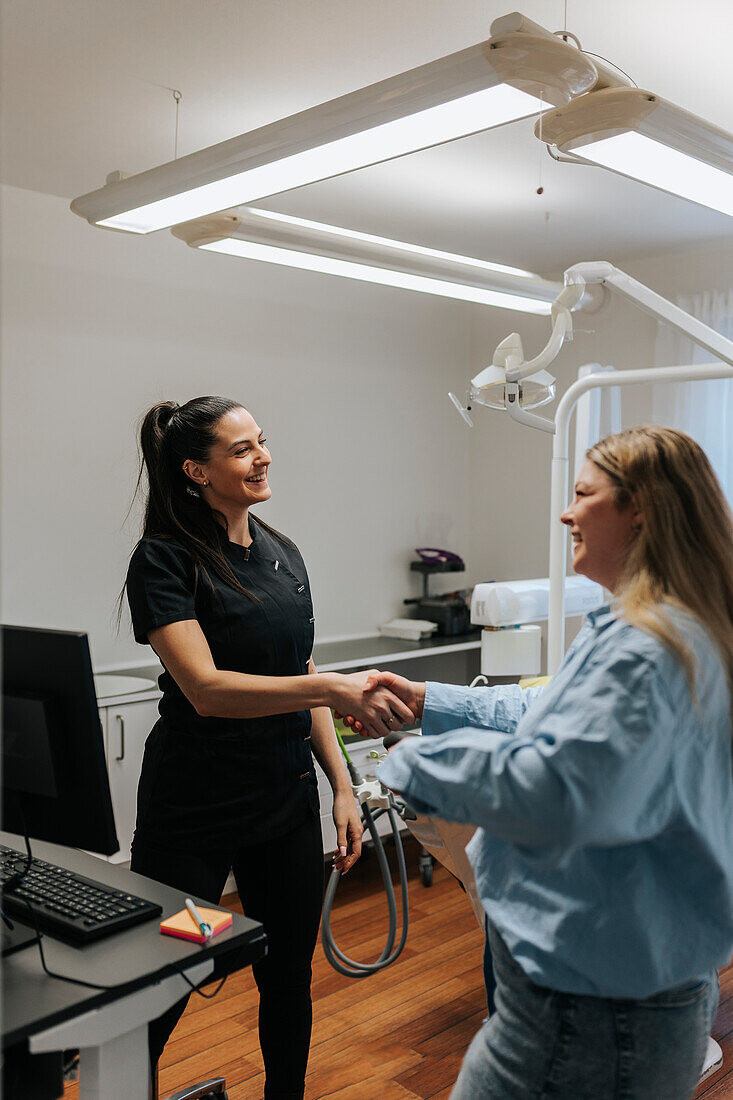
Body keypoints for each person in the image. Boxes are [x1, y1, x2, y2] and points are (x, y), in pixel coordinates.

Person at [352, 426, 733, 1099]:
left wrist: (413, 763)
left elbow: (560, 789)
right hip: (607, 981)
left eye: (583, 495)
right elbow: (548, 717)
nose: (565, 512)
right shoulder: (657, 625)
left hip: (595, 1007)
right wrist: (428, 701)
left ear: (638, 507)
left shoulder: (648, 648)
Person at [123, 396, 412, 1100]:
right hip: (193, 809)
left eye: (263, 442)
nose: (264, 457)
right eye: (243, 449)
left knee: (287, 975)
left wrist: (340, 785)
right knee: (169, 972)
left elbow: (303, 678)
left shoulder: (282, 553)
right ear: (196, 470)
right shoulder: (164, 560)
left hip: (282, 802)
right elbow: (206, 689)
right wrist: (332, 694)